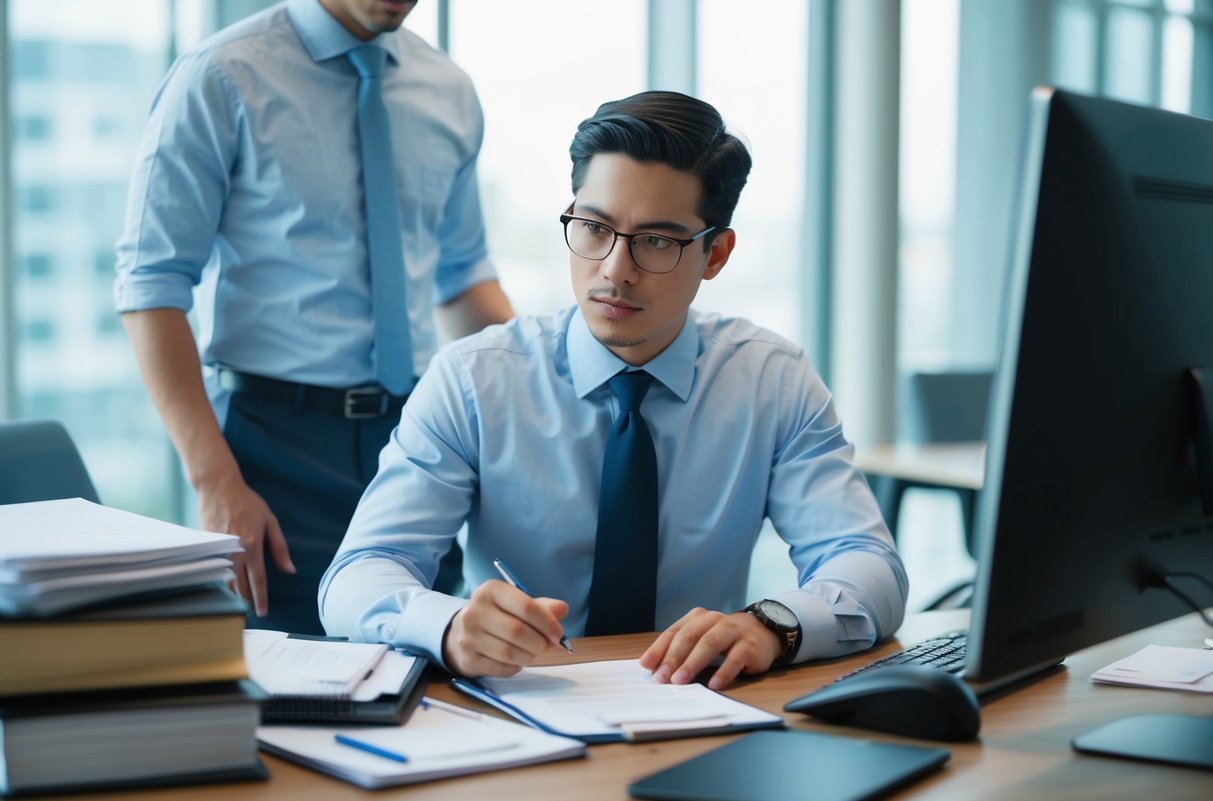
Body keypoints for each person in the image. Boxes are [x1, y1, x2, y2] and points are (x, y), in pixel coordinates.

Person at [320, 90, 907, 690]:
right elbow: (358, 575)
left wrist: (772, 626)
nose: (614, 270)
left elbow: (869, 567)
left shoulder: (771, 382)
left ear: (716, 254)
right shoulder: (474, 379)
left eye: (657, 241)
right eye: (595, 228)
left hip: (702, 703)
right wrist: (450, 625)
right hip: (518, 706)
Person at [114, 0, 512, 634]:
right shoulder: (220, 76)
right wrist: (215, 480)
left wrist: (550, 384)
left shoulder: (449, 91)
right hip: (272, 447)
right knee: (290, 691)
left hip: (413, 441)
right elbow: (150, 286)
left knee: (429, 671)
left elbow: (462, 275)